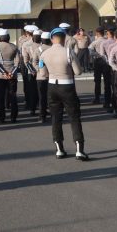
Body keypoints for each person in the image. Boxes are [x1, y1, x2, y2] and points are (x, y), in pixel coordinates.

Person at [39, 27, 88, 161]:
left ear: (51, 39)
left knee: (56, 118)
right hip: (67, 86)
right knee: (74, 117)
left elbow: (42, 74)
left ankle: (59, 149)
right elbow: (78, 72)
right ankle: (79, 150)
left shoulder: (44, 54)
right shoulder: (68, 51)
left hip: (52, 86)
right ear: (64, 38)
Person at [0, 28, 21, 124]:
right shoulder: (14, 47)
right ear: (8, 37)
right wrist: (11, 72)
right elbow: (17, 62)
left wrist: (3, 73)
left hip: (0, 75)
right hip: (12, 74)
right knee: (13, 95)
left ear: (0, 37)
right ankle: (13, 117)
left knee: (0, 96)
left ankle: (2, 117)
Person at [21, 29, 41, 116]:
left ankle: (32, 108)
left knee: (32, 90)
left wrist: (32, 70)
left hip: (31, 70)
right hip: (41, 70)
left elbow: (26, 60)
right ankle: (40, 108)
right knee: (41, 90)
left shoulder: (25, 44)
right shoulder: (43, 44)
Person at [35, 31, 51, 122]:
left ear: (42, 39)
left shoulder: (38, 49)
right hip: (52, 76)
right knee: (52, 97)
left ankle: (42, 116)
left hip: (41, 77)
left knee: (42, 97)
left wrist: (39, 69)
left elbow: (34, 62)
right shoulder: (53, 48)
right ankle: (54, 114)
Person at [88, 27, 106, 105]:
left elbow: (90, 51)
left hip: (98, 61)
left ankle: (97, 98)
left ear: (97, 33)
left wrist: (97, 54)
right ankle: (108, 99)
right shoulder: (106, 41)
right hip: (106, 61)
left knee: (97, 81)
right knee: (107, 80)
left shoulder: (95, 42)